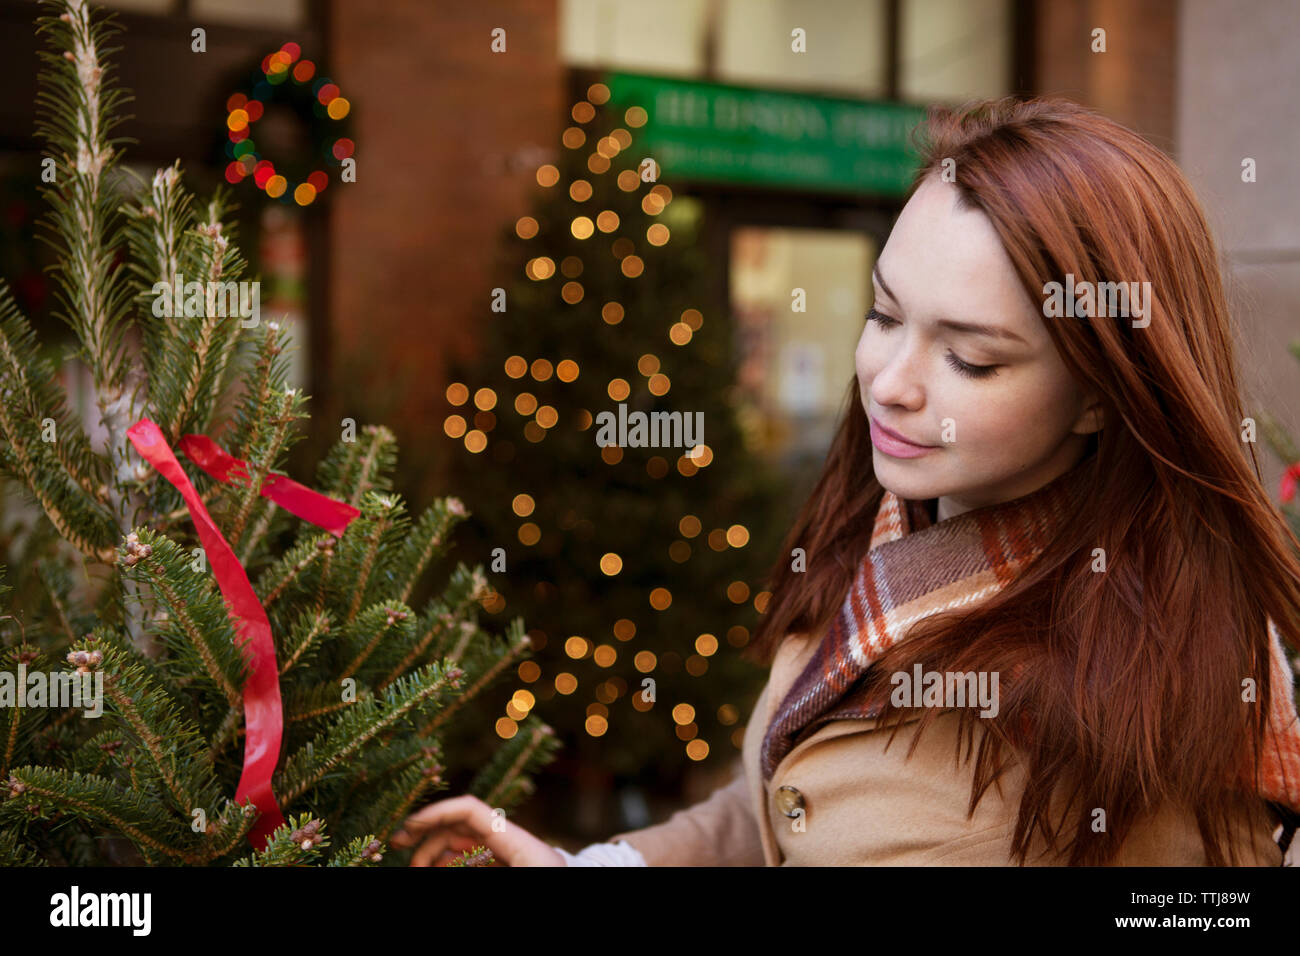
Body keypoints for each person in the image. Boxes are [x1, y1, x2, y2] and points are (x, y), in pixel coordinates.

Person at [393, 96, 1300, 867]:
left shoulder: (1165, 681)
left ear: (1101, 397)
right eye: (883, 312)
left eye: (972, 359)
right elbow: (777, 802)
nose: (890, 380)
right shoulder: (884, 523)